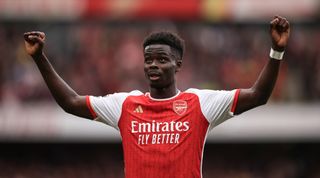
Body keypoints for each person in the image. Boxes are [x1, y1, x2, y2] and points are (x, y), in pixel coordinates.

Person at [24, 15, 290, 178]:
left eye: (162, 59)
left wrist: (276, 52)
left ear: (178, 64)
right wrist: (39, 57)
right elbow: (71, 102)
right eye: (148, 59)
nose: (153, 65)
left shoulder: (200, 103)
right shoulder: (125, 105)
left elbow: (258, 95)